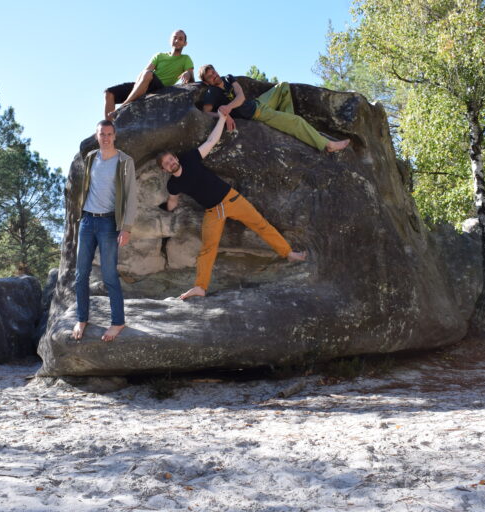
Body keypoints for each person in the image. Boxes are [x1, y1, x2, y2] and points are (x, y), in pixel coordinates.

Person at [157, 112, 307, 300]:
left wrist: (221, 118)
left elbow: (211, 141)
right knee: (207, 249)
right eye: (166, 164)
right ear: (164, 169)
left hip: (232, 199)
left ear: (175, 158)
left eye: (171, 159)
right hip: (213, 212)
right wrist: (167, 210)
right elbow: (173, 200)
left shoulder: (189, 159)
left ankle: (288, 253)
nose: (171, 163)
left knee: (261, 225)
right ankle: (200, 288)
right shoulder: (173, 184)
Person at [72, 120, 138, 342]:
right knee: (81, 275)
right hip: (87, 222)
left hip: (109, 224)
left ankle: (118, 322)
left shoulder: (125, 161)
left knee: (110, 275)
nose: (106, 137)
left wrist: (126, 228)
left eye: (109, 134)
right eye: (102, 134)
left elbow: (131, 197)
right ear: (97, 135)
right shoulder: (91, 158)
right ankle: (82, 318)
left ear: (115, 135)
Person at [199, 64, 352, 153]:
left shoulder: (228, 78)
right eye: (210, 76)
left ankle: (286, 123)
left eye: (213, 72)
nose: (214, 75)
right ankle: (328, 145)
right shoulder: (212, 92)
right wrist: (223, 115)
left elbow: (241, 96)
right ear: (207, 82)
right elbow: (205, 112)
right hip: (256, 113)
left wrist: (228, 107)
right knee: (297, 121)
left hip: (258, 102)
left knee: (283, 86)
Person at [104, 30, 194, 121]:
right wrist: (138, 84)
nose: (177, 40)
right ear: (170, 40)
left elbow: (191, 76)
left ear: (185, 43)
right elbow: (145, 71)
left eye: (180, 39)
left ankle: (122, 108)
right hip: (144, 83)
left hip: (159, 88)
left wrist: (187, 73)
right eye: (175, 37)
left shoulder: (185, 59)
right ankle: (108, 126)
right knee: (109, 93)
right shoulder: (159, 56)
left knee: (148, 74)